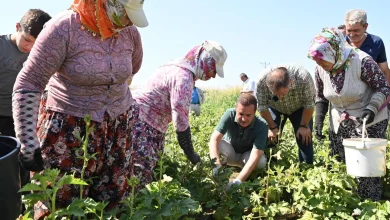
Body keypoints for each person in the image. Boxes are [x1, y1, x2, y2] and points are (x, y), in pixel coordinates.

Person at [12, 0, 148, 218]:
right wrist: (28, 141)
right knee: (60, 204)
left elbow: (135, 66)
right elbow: (29, 82)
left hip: (116, 128)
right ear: (107, 5)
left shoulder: (129, 33)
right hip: (67, 130)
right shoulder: (64, 27)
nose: (129, 21)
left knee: (111, 204)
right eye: (126, 14)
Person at [308, 27, 389, 201]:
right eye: (316, 60)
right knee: (339, 163)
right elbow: (321, 97)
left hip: (368, 118)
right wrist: (319, 122)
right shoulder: (320, 67)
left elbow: (383, 87)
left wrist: (372, 108)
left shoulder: (362, 61)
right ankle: (347, 203)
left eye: (322, 60)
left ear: (334, 51)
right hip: (340, 120)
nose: (319, 64)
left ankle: (370, 207)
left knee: (366, 169)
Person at [132, 40, 227, 186]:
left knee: (142, 168)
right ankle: (130, 207)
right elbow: (180, 119)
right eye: (213, 69)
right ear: (205, 60)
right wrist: (191, 153)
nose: (213, 75)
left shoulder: (176, 67)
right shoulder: (183, 77)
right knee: (139, 173)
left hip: (144, 121)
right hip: (142, 124)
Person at [0, 9, 51, 137]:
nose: (29, 47)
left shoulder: (41, 54)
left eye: (36, 43)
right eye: (27, 39)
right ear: (18, 27)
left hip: (22, 117)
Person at [256, 65, 315, 164]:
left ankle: (306, 167)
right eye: (276, 94)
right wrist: (272, 127)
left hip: (299, 107)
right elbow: (262, 107)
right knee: (271, 138)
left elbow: (309, 104)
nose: (280, 98)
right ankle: (271, 167)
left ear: (290, 83)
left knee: (305, 138)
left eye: (282, 94)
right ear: (267, 86)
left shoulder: (304, 78)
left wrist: (304, 126)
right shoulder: (261, 82)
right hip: (274, 108)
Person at [209, 94, 268, 187]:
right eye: (240, 114)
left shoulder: (262, 125)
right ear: (236, 110)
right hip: (230, 153)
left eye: (248, 115)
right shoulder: (229, 114)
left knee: (261, 161)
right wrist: (216, 166)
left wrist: (238, 181)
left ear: (255, 112)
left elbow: (255, 156)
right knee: (218, 145)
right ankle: (221, 176)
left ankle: (248, 180)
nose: (244, 119)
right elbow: (214, 139)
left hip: (246, 157)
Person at [345, 9, 390, 85]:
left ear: (365, 26)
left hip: (369, 92)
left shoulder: (376, 42)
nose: (352, 34)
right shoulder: (340, 43)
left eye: (356, 31)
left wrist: (388, 93)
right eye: (349, 30)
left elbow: (384, 70)